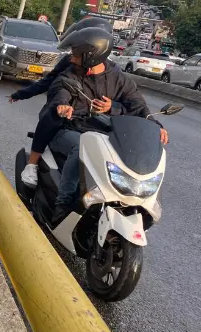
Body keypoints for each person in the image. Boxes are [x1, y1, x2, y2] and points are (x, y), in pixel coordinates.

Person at [46, 27, 168, 225]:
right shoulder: (71, 75)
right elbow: (62, 92)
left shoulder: (119, 79)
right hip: (70, 131)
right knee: (81, 146)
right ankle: (63, 203)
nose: (72, 59)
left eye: (76, 55)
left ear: (91, 56)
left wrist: (155, 125)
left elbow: (138, 107)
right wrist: (62, 106)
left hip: (104, 136)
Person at [11, 18, 114, 186]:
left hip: (90, 120)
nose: (74, 56)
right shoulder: (70, 61)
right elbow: (49, 81)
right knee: (52, 118)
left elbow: (131, 102)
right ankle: (32, 164)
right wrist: (22, 94)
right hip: (62, 108)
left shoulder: (112, 72)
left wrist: (111, 106)